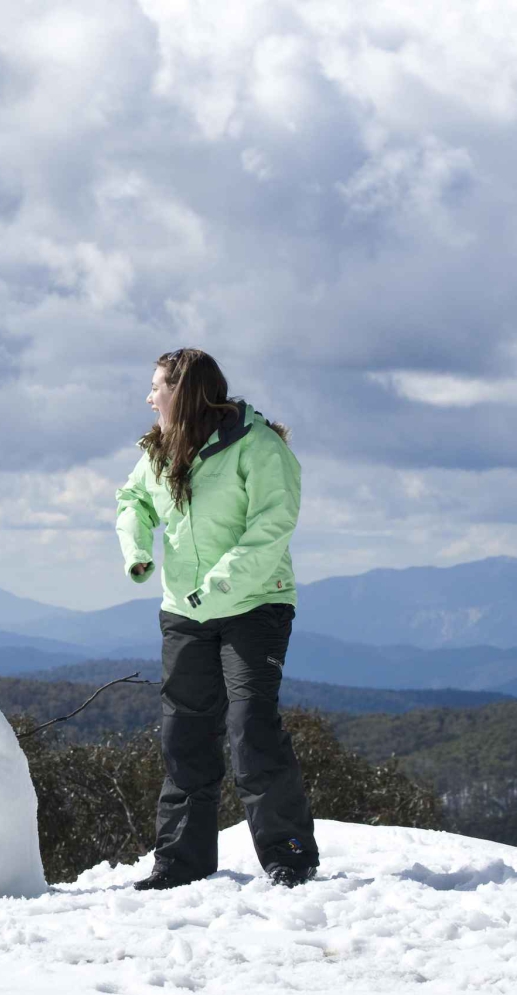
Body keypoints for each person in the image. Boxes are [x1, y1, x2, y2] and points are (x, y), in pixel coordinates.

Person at [114, 349, 319, 890]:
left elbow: (273, 524)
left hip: (256, 605)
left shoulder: (258, 446)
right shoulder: (161, 448)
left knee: (251, 729)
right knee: (184, 735)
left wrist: (220, 584)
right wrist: (137, 547)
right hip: (186, 611)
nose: (149, 396)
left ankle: (290, 856)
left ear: (183, 391)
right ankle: (180, 864)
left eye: (157, 386)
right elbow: (133, 497)